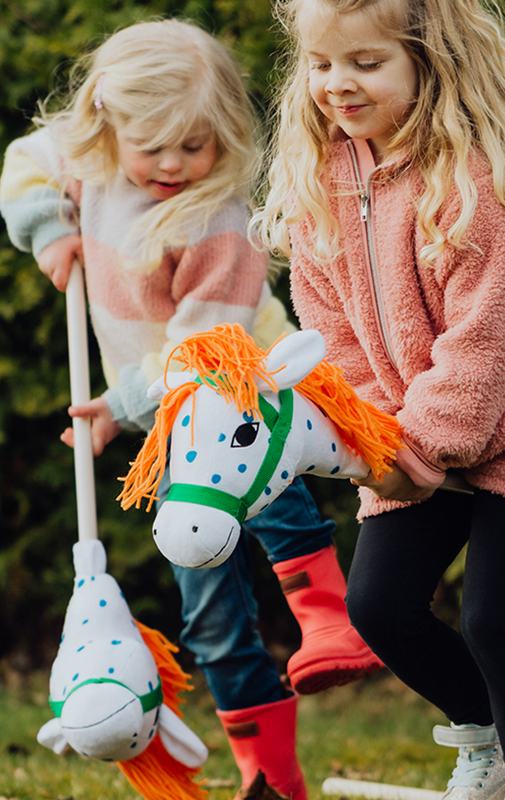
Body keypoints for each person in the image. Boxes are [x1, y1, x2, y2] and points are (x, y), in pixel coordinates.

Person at [0, 18, 383, 799]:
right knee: (208, 616)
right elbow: (26, 159)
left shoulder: (218, 221)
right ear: (108, 128)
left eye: (196, 146)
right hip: (174, 428)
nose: (174, 165)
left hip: (247, 405)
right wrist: (46, 229)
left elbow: (199, 357)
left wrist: (116, 405)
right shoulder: (95, 159)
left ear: (225, 138)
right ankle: (271, 777)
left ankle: (328, 620)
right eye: (154, 148)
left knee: (272, 508)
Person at [253, 0, 505, 799]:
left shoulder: (471, 180)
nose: (337, 84)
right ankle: (487, 742)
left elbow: (485, 344)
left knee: (493, 619)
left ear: (426, 65)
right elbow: (333, 342)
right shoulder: (319, 186)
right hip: (409, 439)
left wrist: (422, 449)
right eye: (321, 64)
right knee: (379, 608)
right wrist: (378, 446)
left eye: (365, 64)